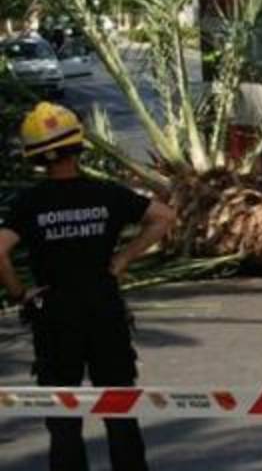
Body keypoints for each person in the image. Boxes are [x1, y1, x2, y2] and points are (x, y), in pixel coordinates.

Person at [0, 102, 175, 471]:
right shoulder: (107, 194)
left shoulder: (29, 203)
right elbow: (163, 217)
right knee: (120, 411)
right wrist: (123, 259)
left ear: (36, 156)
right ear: (78, 145)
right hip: (104, 310)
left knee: (63, 419)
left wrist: (19, 293)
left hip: (55, 318)